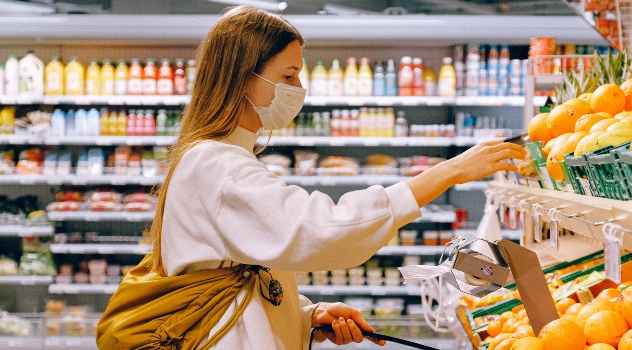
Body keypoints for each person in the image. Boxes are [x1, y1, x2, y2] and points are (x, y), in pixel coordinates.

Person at [127, 6, 524, 350]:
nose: (300, 89)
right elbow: (322, 229)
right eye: (288, 76)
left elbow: (235, 278)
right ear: (243, 78)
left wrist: (305, 315)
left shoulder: (221, 157)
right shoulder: (215, 165)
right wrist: (449, 171)